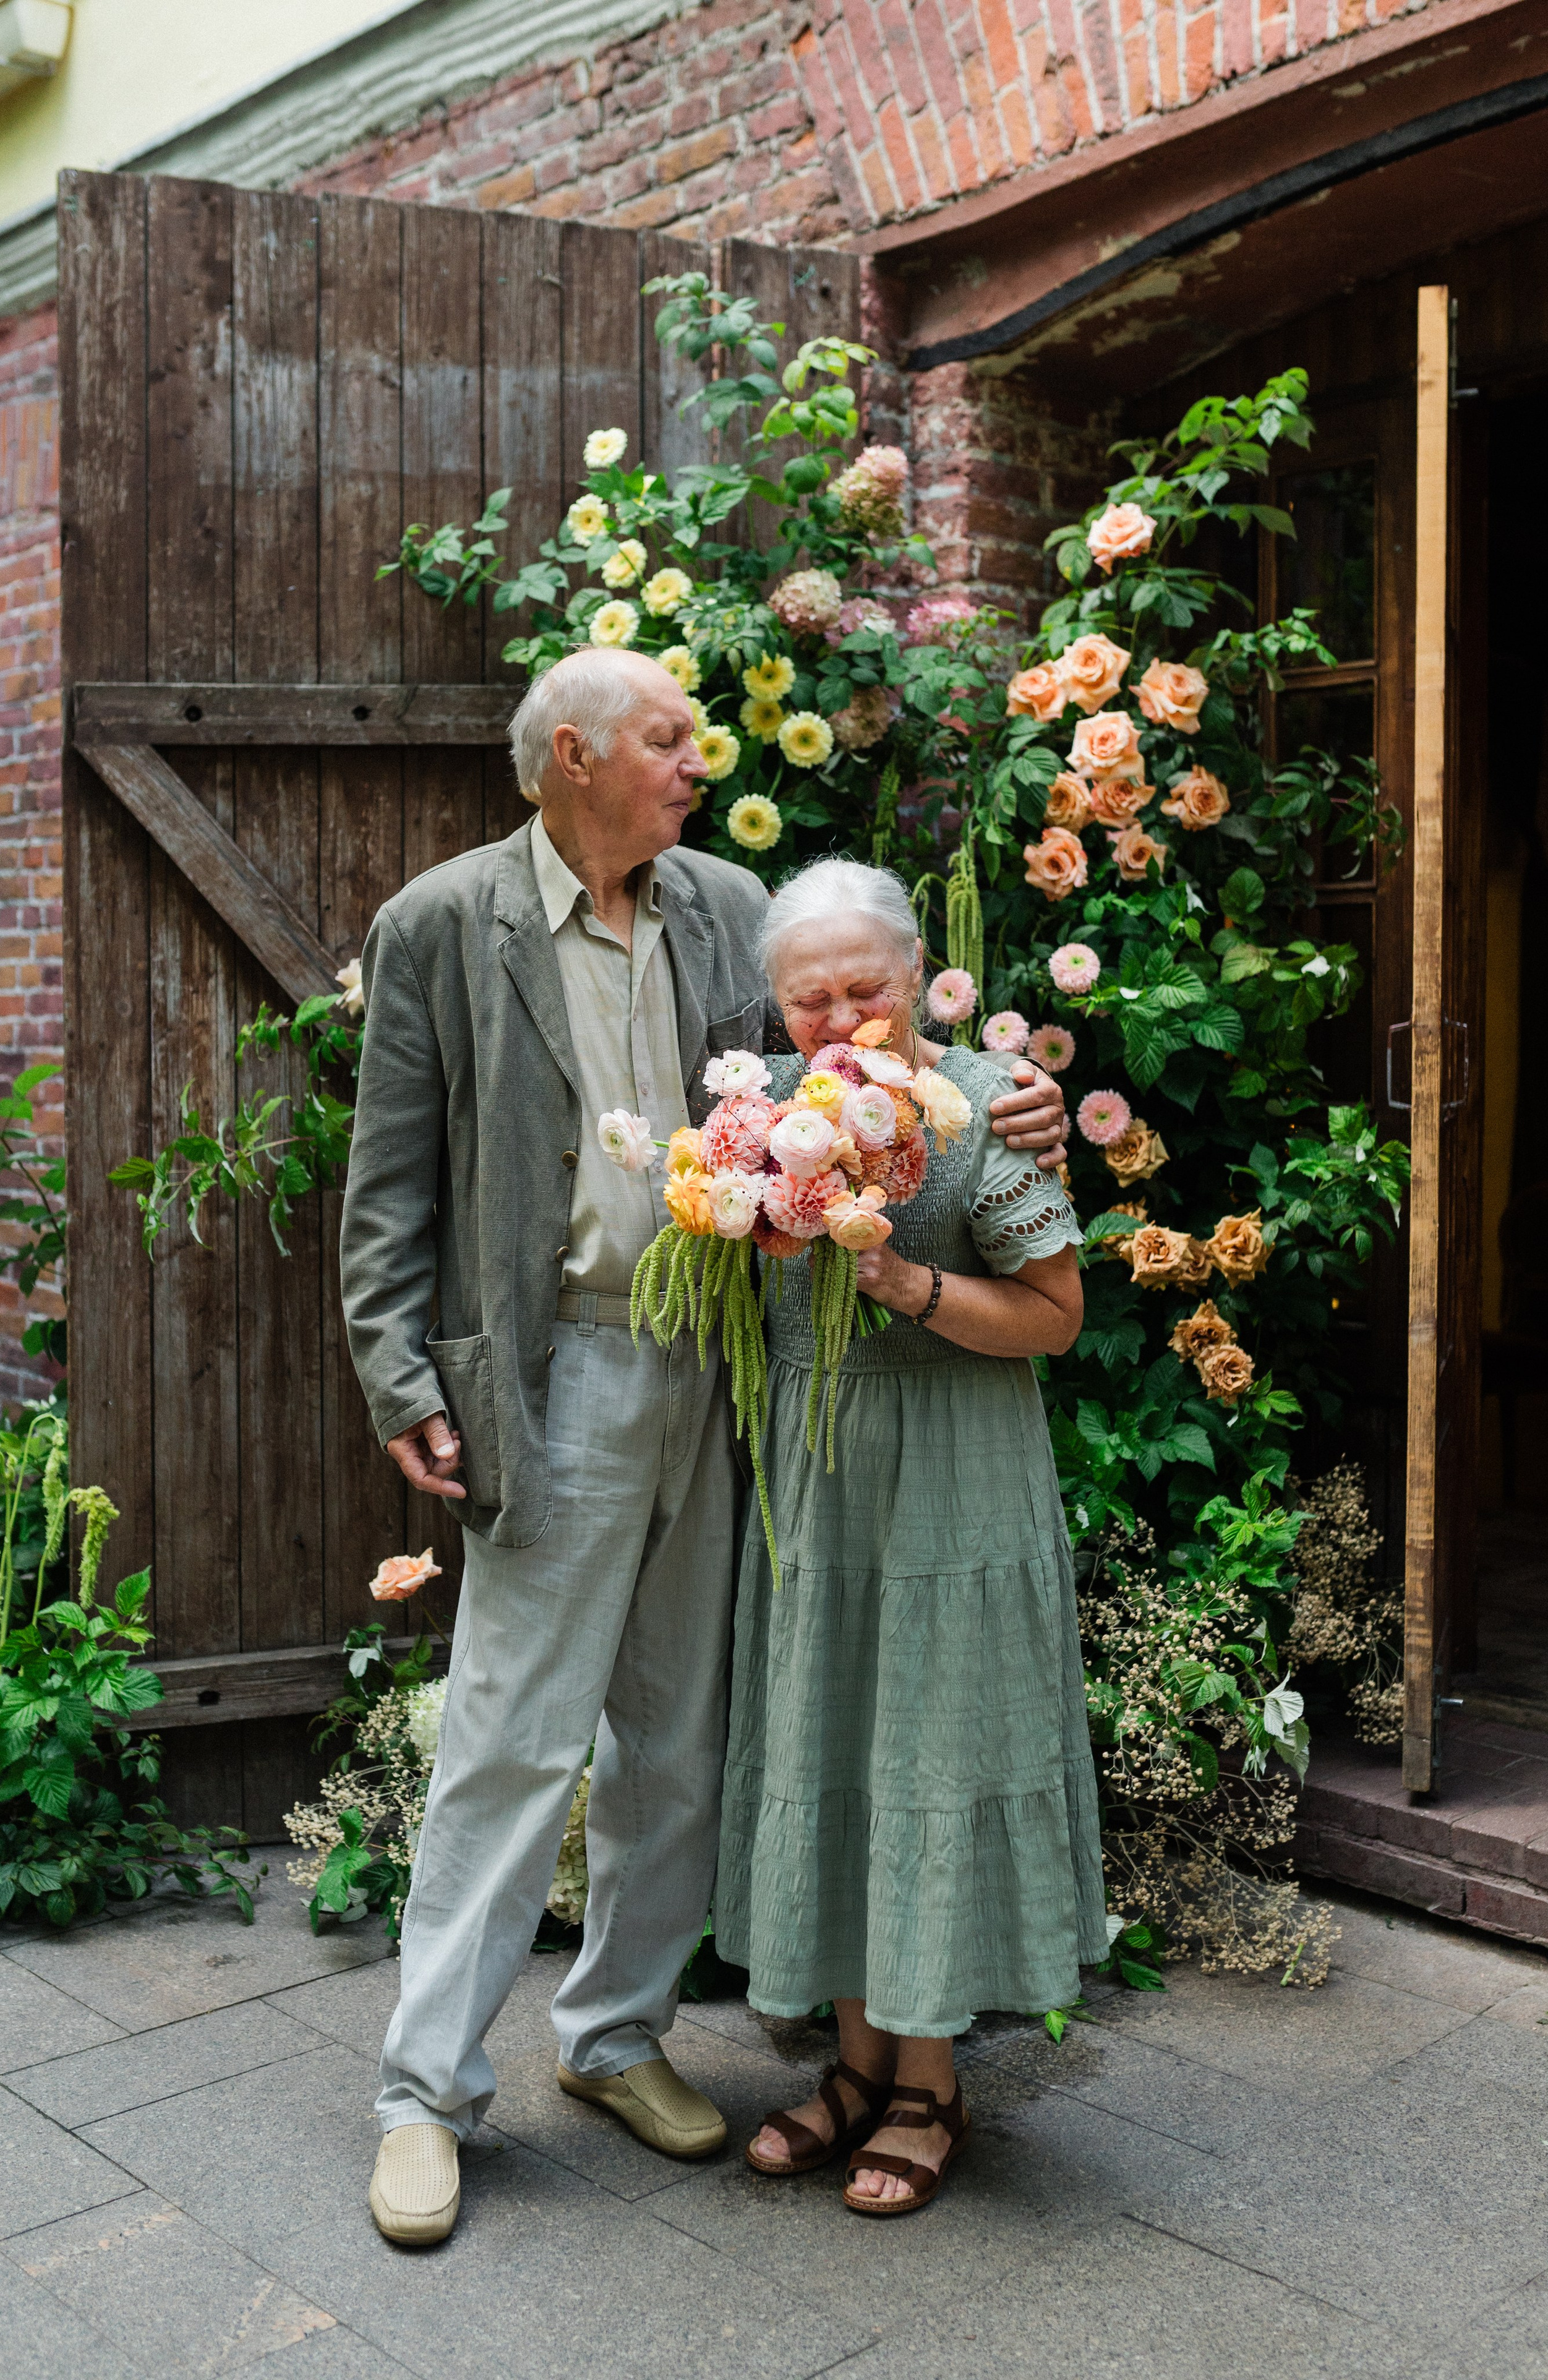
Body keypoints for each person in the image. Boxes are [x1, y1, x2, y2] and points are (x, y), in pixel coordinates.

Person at [337, 647, 1069, 2246]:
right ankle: (424, 2098)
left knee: (674, 1739)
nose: (699, 758)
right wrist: (404, 1380)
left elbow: (863, 1058)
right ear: (574, 756)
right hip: (553, 1376)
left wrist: (1015, 1102)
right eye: (671, 737)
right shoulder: (446, 925)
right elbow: (389, 1185)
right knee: (516, 1741)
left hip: (730, 1364)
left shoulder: (732, 906)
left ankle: (610, 2041)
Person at [715, 858, 1108, 2216]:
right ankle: (855, 2064)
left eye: (864, 990)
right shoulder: (758, 1118)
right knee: (829, 1739)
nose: (837, 1020)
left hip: (948, 1479)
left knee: (929, 1753)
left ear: (916, 973)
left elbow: (1054, 1315)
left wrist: (907, 1281)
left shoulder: (987, 1111)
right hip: (816, 1486)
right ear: (774, 1005)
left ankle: (929, 2082)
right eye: (806, 998)